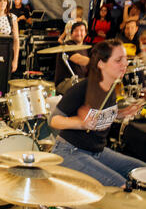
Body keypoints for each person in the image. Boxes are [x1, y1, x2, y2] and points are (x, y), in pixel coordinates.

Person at [50, 39, 146, 187]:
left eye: (126, 59)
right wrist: (81, 123)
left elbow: (101, 116)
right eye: (118, 60)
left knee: (142, 170)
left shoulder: (111, 86)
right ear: (101, 64)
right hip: (69, 151)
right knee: (121, 187)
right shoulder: (83, 87)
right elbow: (53, 120)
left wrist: (121, 113)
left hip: (97, 151)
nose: (125, 64)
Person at [54, 22, 90, 95]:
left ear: (85, 33)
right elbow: (78, 59)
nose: (79, 33)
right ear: (71, 34)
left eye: (82, 31)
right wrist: (97, 62)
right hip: (65, 82)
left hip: (80, 80)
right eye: (76, 31)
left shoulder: (85, 47)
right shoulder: (67, 45)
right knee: (88, 86)